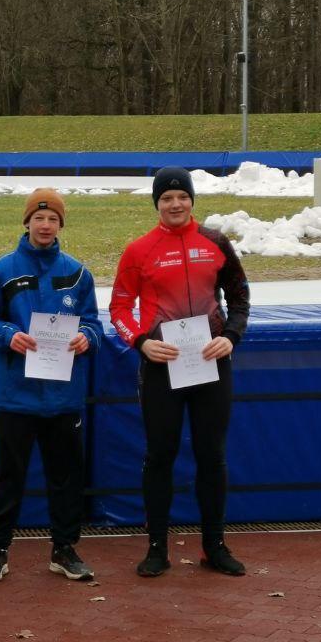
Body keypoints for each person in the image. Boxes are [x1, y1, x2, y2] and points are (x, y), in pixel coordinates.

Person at [110, 166, 251, 577]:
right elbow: (119, 308)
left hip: (210, 360)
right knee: (160, 456)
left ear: (192, 200)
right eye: (167, 198)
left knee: (212, 456)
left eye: (182, 197)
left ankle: (214, 546)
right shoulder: (139, 250)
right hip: (163, 365)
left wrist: (231, 336)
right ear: (157, 203)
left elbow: (240, 298)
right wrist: (140, 341)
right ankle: (157, 548)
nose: (176, 204)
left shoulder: (215, 242)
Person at [0, 189, 101, 582]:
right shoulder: (0, 271)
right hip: (16, 395)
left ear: (61, 225)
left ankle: (64, 549)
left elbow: (94, 323)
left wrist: (87, 338)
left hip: (63, 396)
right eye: (39, 218)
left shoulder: (78, 273)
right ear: (26, 222)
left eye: (53, 219)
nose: (45, 225)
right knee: (9, 476)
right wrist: (8, 335)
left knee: (66, 478)